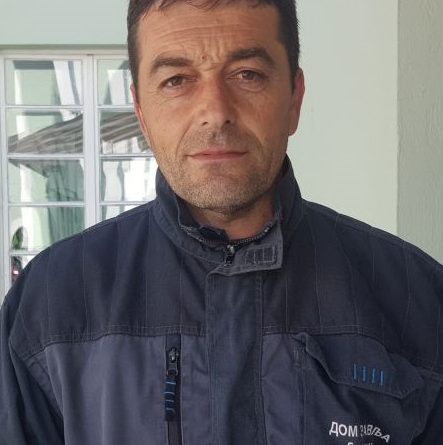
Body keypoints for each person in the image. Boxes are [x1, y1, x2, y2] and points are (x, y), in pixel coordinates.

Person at [1, 0, 442, 443]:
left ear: (294, 99)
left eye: (247, 74)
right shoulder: (51, 302)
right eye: (176, 80)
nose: (215, 111)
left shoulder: (417, 297)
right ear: (141, 113)